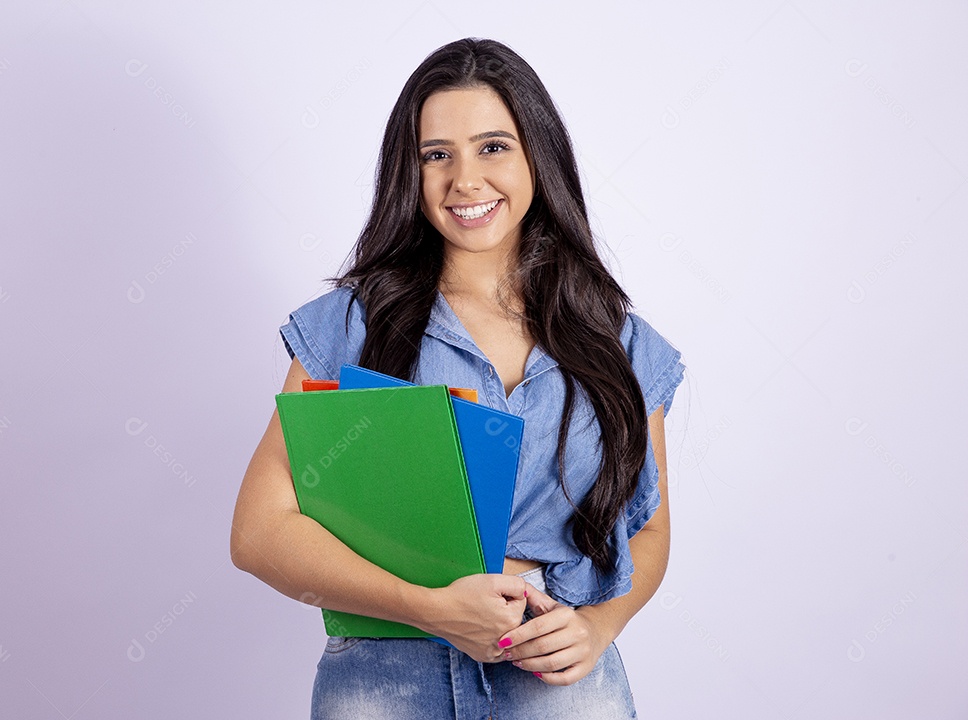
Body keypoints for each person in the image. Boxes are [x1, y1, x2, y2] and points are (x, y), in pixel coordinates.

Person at [231, 37, 685, 719]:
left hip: (559, 679)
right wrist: (430, 608)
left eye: (493, 147)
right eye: (436, 155)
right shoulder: (349, 326)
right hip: (383, 680)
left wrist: (600, 625)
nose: (465, 179)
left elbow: (648, 531)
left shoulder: (619, 343)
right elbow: (259, 531)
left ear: (540, 155)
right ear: (408, 173)